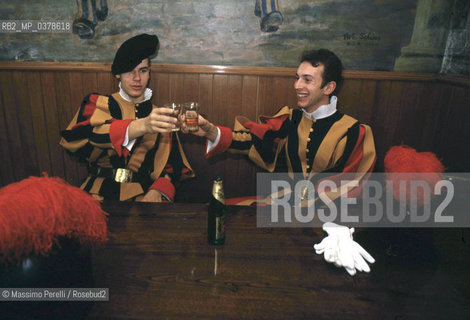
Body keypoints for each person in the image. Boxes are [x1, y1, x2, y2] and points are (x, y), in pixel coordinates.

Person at [186, 49, 376, 203]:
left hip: (326, 217)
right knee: (220, 212)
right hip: (281, 204)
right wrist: (211, 131)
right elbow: (255, 141)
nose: (297, 85)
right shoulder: (290, 118)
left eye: (307, 80)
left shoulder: (354, 132)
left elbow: (348, 186)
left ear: (328, 88)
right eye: (297, 77)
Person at [60, 33, 194, 202]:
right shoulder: (97, 103)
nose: (137, 78)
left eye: (143, 70)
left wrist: (159, 191)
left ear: (150, 73)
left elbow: (173, 167)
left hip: (143, 196)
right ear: (118, 74)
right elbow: (79, 141)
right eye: (130, 71)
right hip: (97, 193)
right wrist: (143, 126)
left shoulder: (159, 115)